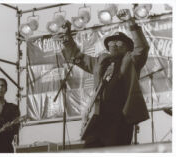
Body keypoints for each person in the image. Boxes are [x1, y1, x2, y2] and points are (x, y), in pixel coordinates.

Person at [57, 9, 150, 148]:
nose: (114, 44)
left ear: (127, 48)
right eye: (112, 42)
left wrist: (131, 22)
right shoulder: (101, 62)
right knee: (90, 149)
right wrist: (66, 37)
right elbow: (76, 57)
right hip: (99, 117)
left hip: (120, 117)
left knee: (116, 150)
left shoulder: (131, 60)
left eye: (119, 42)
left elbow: (142, 47)